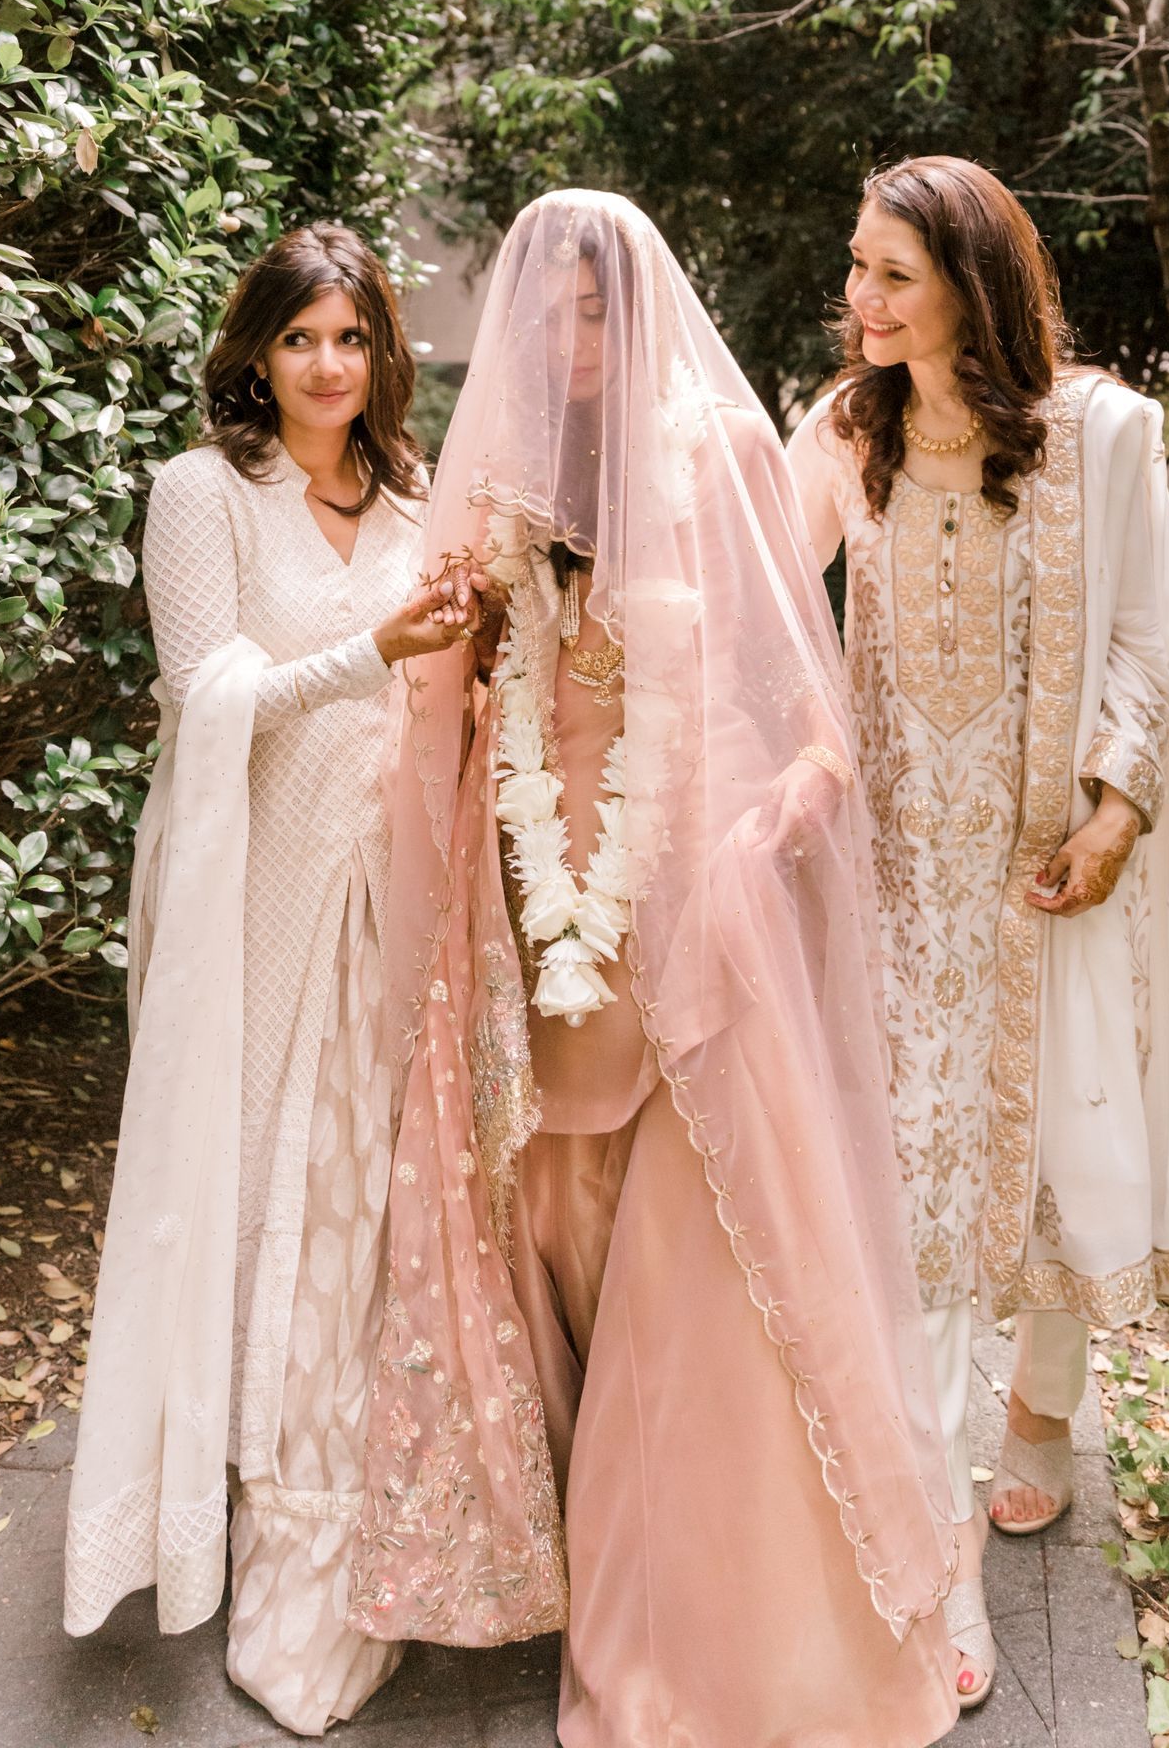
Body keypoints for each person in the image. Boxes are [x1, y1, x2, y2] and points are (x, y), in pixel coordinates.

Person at [350, 190, 959, 1748]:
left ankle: (698, 1591)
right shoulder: (502, 477)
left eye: (598, 304)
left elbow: (808, 707)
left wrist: (786, 806)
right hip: (539, 901)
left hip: (691, 901)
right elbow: (462, 680)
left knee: (699, 1252)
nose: (570, 334)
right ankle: (538, 1527)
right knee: (549, 1205)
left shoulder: (722, 449)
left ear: (641, 308)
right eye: (547, 305)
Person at [789, 155, 1169, 1712]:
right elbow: (738, 586)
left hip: (1038, 870)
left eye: (892, 277)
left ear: (971, 289)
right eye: (857, 270)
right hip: (891, 886)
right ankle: (941, 1562)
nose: (858, 301)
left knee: (1065, 1146)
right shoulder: (843, 433)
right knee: (925, 1202)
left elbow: (1145, 640)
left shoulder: (1104, 434)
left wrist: (1116, 814)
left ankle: (1046, 1418)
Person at [63, 224, 475, 1734]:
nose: (326, 365)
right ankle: (227, 1489)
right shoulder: (202, 493)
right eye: (299, 339)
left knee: (361, 1195)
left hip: (393, 889)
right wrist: (371, 648)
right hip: (251, 891)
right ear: (256, 352)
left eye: (352, 337)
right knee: (245, 1184)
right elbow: (205, 692)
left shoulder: (423, 501)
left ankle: (340, 1478)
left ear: (382, 354)